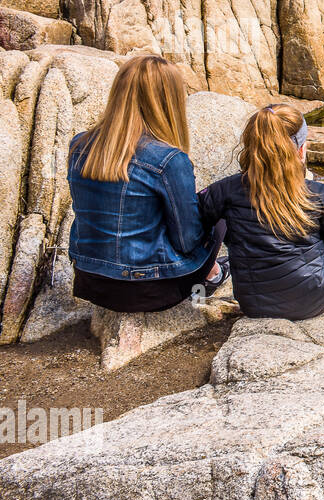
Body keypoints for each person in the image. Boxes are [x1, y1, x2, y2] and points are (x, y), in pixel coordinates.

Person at [200, 103, 324, 321]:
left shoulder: (224, 190)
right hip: (313, 300)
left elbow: (194, 222)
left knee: (214, 218)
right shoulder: (319, 194)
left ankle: (213, 275)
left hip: (253, 302)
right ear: (301, 150)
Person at [67, 55, 228, 313]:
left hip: (91, 280)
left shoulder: (79, 146)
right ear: (168, 100)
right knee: (219, 218)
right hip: (145, 290)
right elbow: (188, 241)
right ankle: (214, 273)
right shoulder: (168, 160)